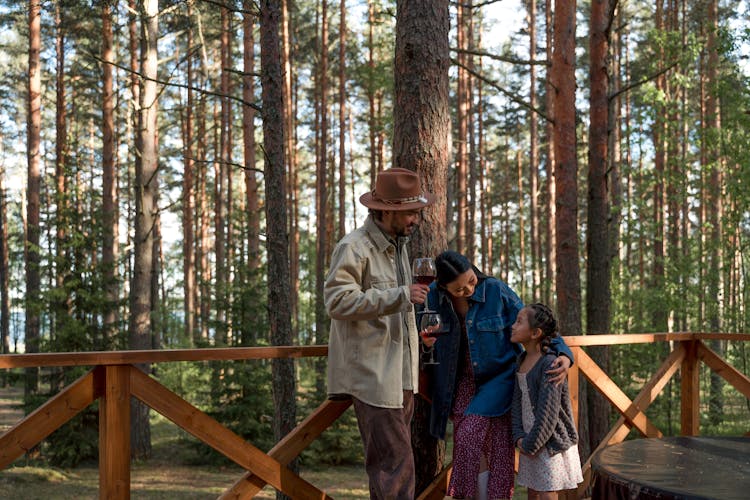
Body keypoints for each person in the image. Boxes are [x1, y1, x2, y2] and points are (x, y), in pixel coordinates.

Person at [423, 251, 573, 500]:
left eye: (471, 281)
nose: (468, 290)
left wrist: (564, 354)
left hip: (499, 379)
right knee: (470, 445)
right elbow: (418, 334)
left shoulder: (496, 290)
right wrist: (426, 344)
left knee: (493, 445)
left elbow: (535, 323)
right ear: (443, 286)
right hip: (458, 383)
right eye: (458, 289)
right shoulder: (431, 296)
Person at [325, 167, 435, 499]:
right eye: (410, 212)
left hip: (401, 376)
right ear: (386, 210)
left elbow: (388, 312)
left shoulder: (397, 245)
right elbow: (337, 302)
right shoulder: (354, 247)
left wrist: (419, 334)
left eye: (416, 211)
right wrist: (401, 295)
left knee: (391, 469)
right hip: (373, 377)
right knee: (396, 467)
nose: (416, 219)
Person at [510, 303, 583, 500]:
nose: (512, 326)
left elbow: (548, 414)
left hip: (549, 443)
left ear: (535, 333)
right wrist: (518, 436)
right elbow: (516, 403)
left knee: (546, 491)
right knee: (533, 489)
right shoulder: (521, 360)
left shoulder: (550, 363)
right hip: (528, 439)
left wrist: (530, 444)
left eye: (519, 322)